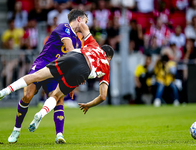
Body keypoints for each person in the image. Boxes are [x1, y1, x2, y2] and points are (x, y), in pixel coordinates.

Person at [0, 22, 114, 136]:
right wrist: (88, 104)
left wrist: (81, 21)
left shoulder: (92, 45)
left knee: (39, 80)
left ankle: (7, 90)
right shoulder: (106, 67)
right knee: (53, 96)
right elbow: (103, 96)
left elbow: (83, 29)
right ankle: (38, 116)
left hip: (69, 60)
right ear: (109, 58)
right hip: (62, 66)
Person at [5, 9, 87, 144]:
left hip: (55, 71)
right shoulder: (64, 27)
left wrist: (71, 82)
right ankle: (16, 129)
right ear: (79, 19)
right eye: (85, 21)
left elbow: (70, 62)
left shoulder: (77, 41)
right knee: (27, 95)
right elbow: (70, 50)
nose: (86, 25)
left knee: (58, 99)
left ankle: (59, 135)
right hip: (42, 65)